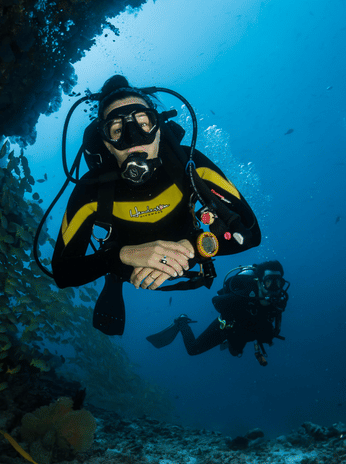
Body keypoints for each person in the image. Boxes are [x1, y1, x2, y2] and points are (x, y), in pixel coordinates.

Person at [50, 75, 261, 335]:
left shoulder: (191, 165)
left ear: (158, 128)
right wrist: (121, 256)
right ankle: (114, 277)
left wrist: (194, 248)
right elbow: (63, 272)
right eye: (117, 130)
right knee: (114, 268)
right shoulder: (91, 189)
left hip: (190, 250)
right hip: (124, 265)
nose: (132, 139)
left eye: (143, 123)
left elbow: (251, 232)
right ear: (106, 143)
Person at [146, 261, 289, 366]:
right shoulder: (245, 294)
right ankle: (182, 321)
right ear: (259, 282)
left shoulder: (278, 302)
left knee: (235, 352)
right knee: (193, 350)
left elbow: (273, 325)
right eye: (270, 282)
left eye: (279, 283)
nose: (275, 288)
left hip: (247, 331)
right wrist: (236, 312)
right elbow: (216, 301)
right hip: (227, 327)